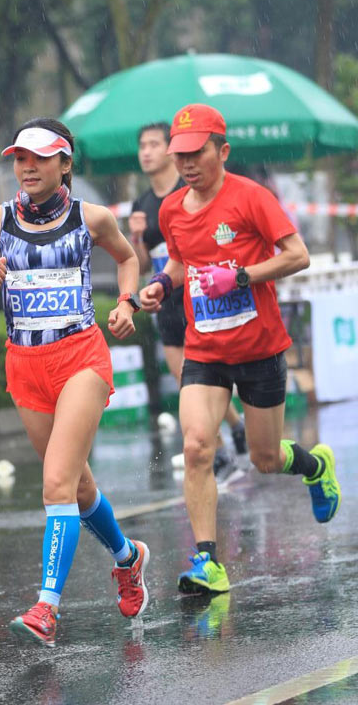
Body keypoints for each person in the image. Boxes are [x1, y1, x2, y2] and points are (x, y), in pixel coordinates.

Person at [0, 117, 150, 646]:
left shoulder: (92, 218)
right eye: (20, 158)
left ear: (65, 163)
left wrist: (127, 302)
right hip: (24, 364)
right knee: (79, 486)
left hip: (80, 358)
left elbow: (128, 258)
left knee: (56, 486)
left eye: (40, 158)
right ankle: (127, 559)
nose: (27, 168)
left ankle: (46, 608)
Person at [140, 103, 341, 595]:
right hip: (205, 349)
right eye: (179, 155)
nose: (186, 164)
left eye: (196, 153)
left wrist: (242, 275)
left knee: (265, 458)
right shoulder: (170, 209)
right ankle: (208, 562)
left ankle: (315, 466)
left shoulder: (252, 198)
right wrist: (161, 286)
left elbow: (298, 255)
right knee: (196, 447)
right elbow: (182, 263)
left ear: (222, 151)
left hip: (259, 348)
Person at [128, 122, 247, 485]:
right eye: (142, 145)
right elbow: (142, 263)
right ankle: (227, 438)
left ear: (170, 151)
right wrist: (136, 236)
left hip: (202, 299)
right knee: (186, 380)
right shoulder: (142, 204)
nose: (146, 152)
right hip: (167, 303)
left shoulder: (189, 190)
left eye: (153, 144)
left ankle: (231, 436)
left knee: (208, 379)